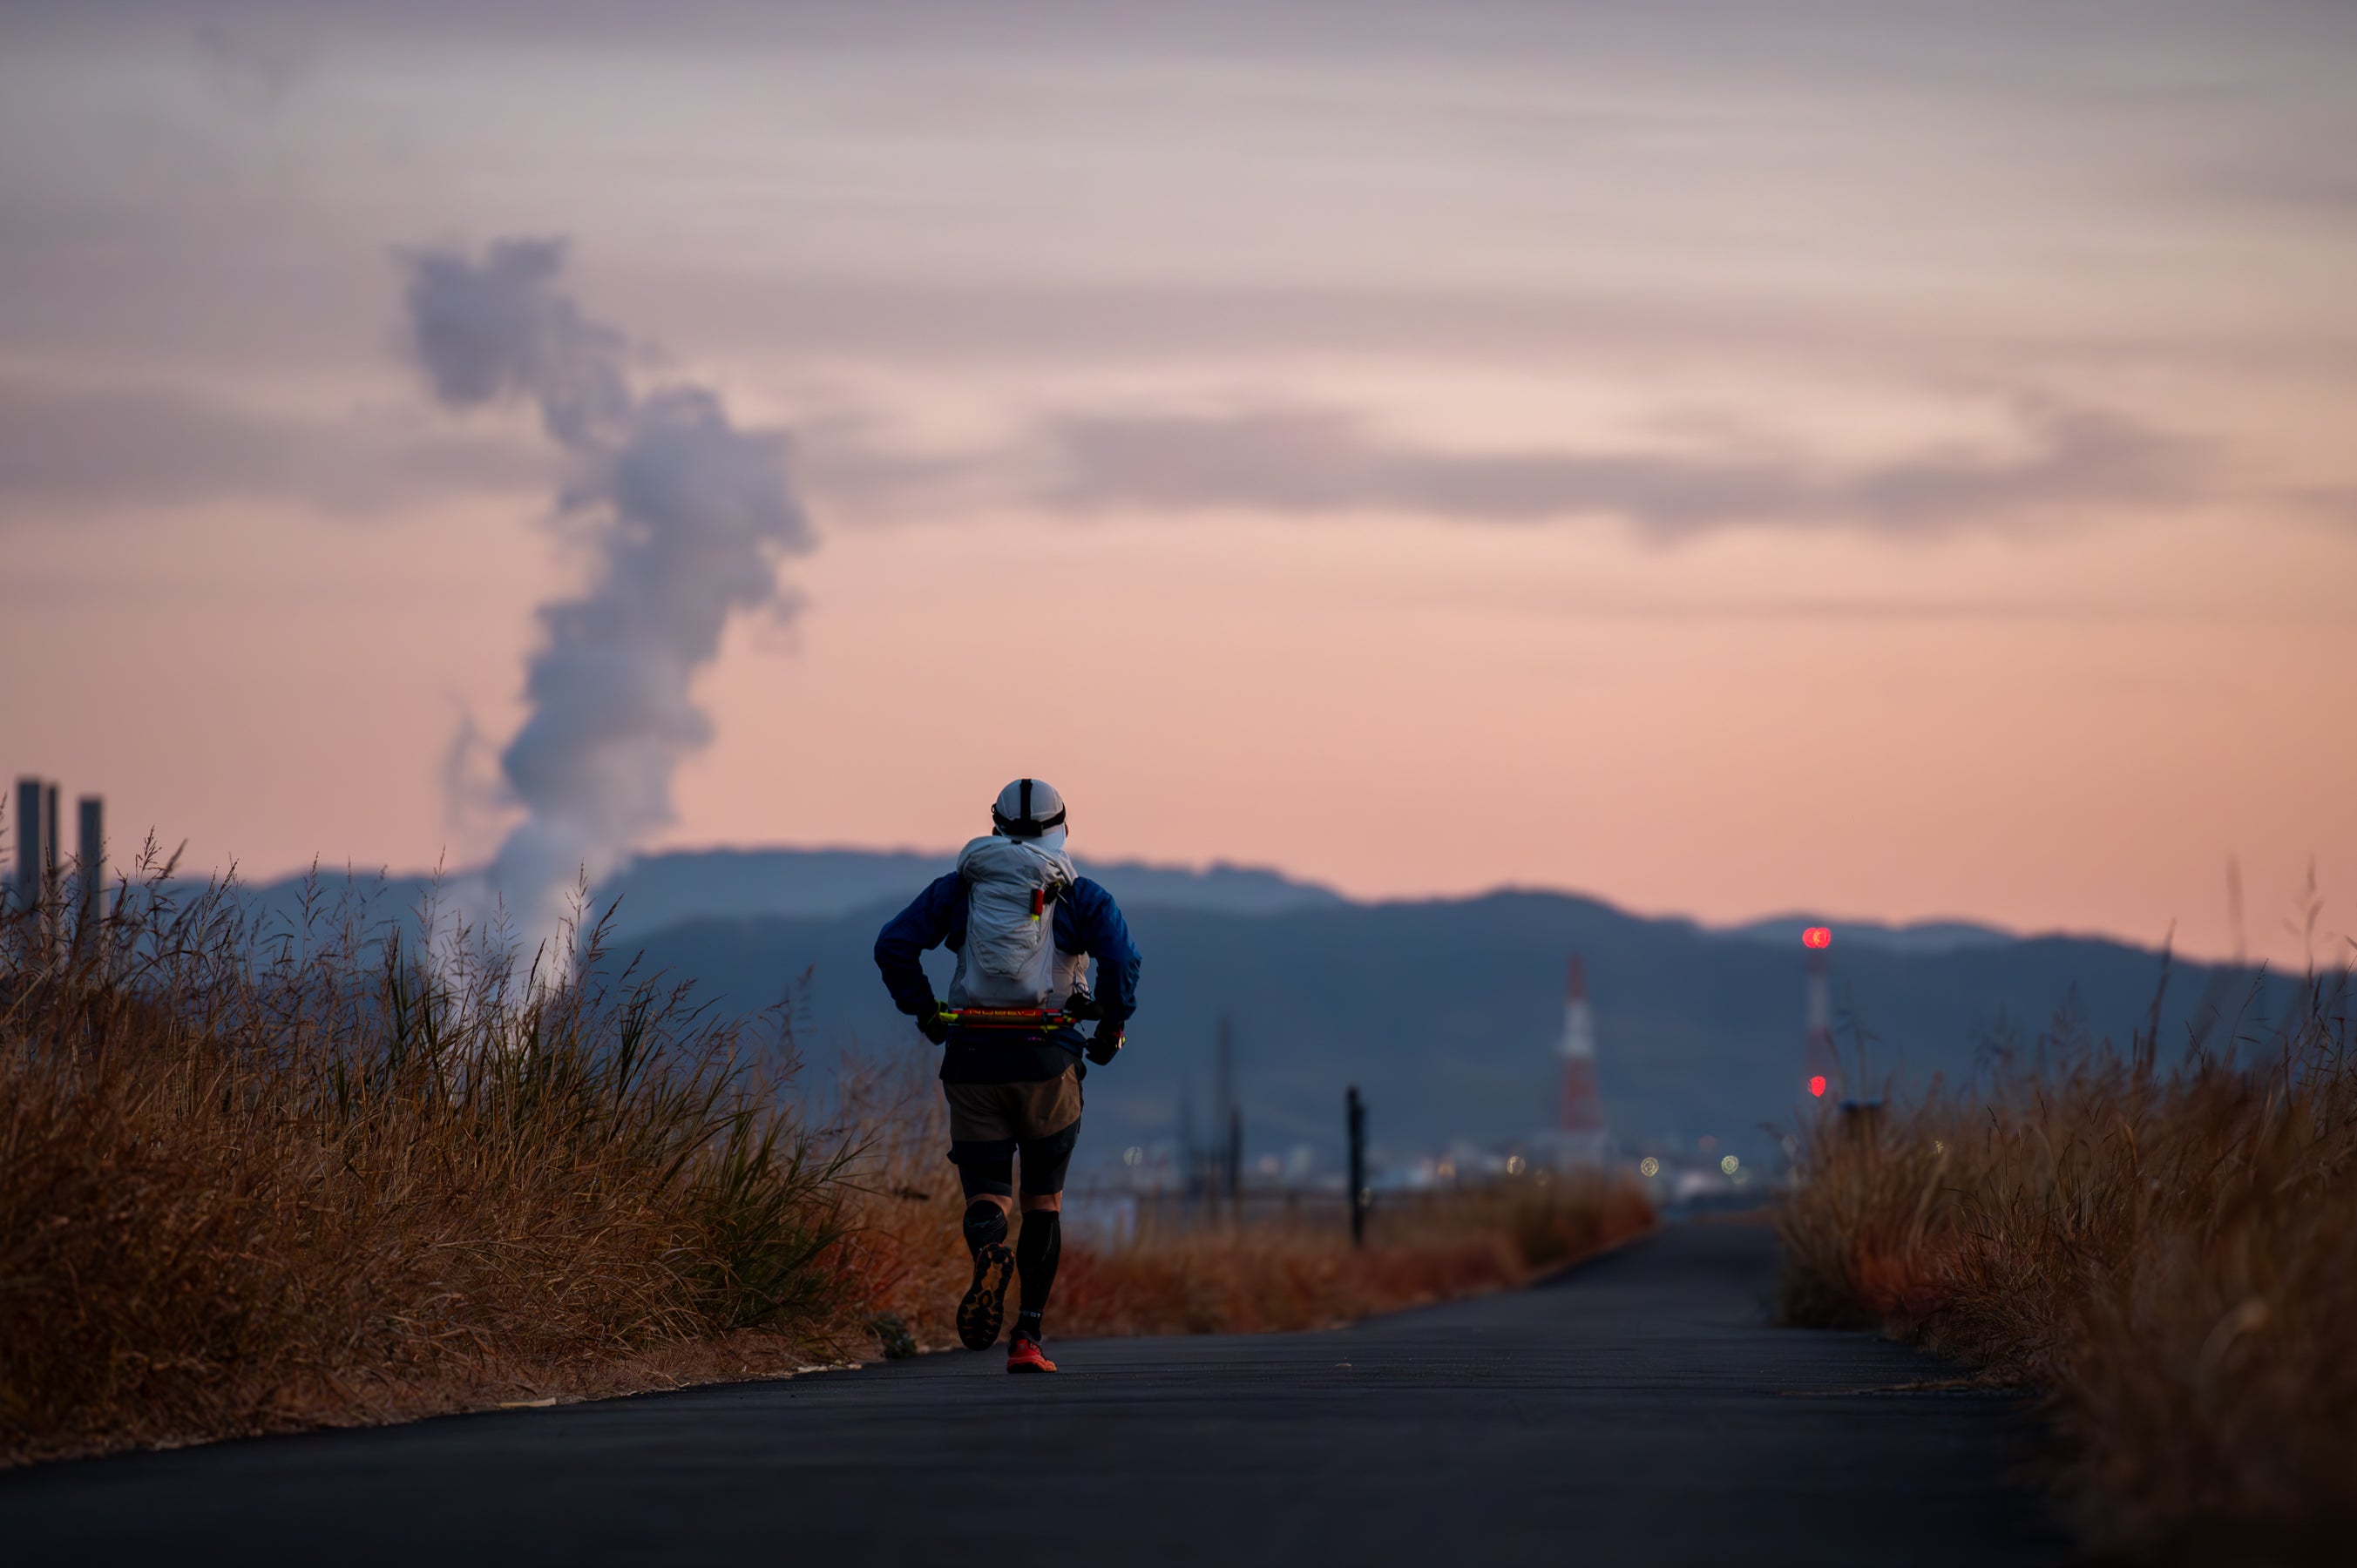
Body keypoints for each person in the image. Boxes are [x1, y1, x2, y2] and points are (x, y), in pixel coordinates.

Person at [873, 779, 1141, 1374]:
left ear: (993, 824)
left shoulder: (960, 889)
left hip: (972, 1058)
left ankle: (990, 1249)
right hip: (1048, 1061)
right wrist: (1108, 1029)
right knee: (1043, 1201)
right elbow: (1123, 961)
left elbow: (893, 944)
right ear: (1062, 826)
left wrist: (922, 1010)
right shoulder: (1081, 895)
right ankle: (1027, 1339)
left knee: (987, 1194)